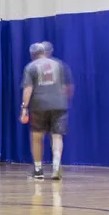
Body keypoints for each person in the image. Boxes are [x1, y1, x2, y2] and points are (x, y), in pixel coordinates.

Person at [20, 41, 73, 181]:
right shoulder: (59, 64)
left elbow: (28, 88)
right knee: (57, 136)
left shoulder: (30, 67)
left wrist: (24, 107)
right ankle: (56, 166)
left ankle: (38, 171)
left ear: (33, 54)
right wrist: (63, 100)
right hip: (59, 105)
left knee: (37, 137)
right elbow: (67, 87)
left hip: (39, 105)